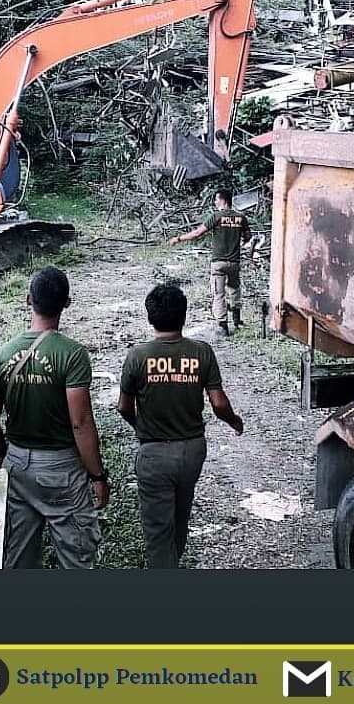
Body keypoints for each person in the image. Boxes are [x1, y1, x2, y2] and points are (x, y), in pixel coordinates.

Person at [0, 266, 110, 569]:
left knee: (18, 556)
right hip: (62, 470)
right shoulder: (72, 354)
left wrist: (3, 454)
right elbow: (81, 423)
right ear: (67, 303)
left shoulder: (2, 354)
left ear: (28, 300)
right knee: (75, 556)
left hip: (17, 466)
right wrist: (98, 476)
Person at [117, 284, 244, 568]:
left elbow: (124, 407)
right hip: (192, 452)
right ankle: (174, 560)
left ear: (150, 318)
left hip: (153, 453)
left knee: (157, 532)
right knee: (180, 514)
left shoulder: (137, 356)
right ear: (184, 316)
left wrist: (141, 427)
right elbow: (219, 404)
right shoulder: (201, 352)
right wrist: (235, 422)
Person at [168, 188, 256, 337]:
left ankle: (223, 326)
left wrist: (178, 238)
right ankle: (237, 320)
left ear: (222, 200)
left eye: (216, 199)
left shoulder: (216, 217)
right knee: (235, 290)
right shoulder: (241, 218)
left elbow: (197, 233)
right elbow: (249, 238)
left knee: (218, 294)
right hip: (234, 262)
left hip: (218, 263)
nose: (215, 202)